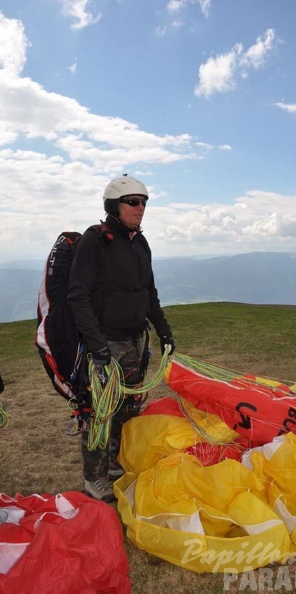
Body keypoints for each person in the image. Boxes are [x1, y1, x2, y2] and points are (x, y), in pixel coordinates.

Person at [67, 174, 175, 502]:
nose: (140, 208)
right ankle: (94, 478)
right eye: (133, 202)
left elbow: (149, 293)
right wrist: (97, 346)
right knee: (101, 412)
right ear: (115, 205)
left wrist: (164, 330)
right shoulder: (95, 241)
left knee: (128, 408)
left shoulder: (140, 243)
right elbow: (77, 296)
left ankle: (116, 464)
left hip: (135, 343)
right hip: (105, 344)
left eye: (143, 202)